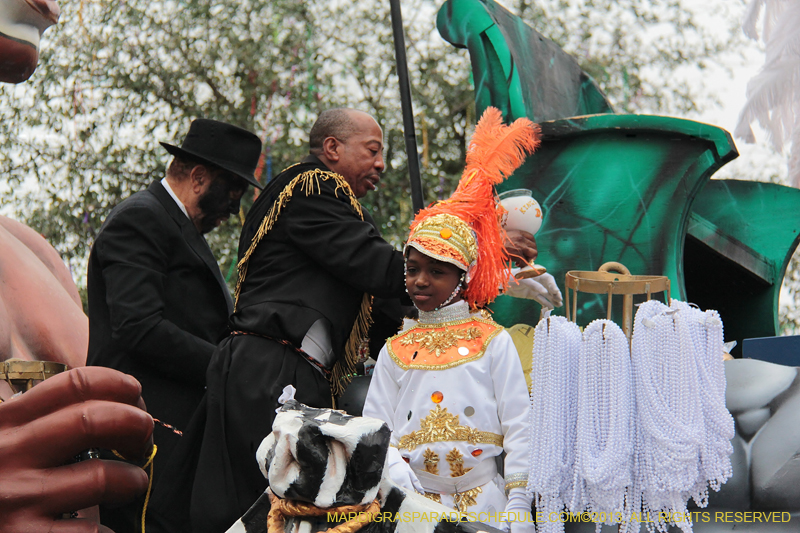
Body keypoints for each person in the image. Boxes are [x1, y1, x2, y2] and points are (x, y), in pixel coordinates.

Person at [148, 108, 543, 533]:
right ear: (332, 149)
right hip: (267, 367)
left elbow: (391, 315)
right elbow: (375, 265)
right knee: (259, 509)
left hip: (295, 373)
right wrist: (475, 255)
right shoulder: (312, 186)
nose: (381, 164)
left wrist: (460, 313)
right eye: (372, 150)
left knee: (292, 512)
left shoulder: (343, 215)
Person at [362, 107, 536, 533]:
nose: (420, 281)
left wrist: (518, 502)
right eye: (412, 269)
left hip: (487, 507)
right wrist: (402, 489)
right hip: (412, 509)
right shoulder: (395, 349)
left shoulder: (492, 341)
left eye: (436, 272)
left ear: (463, 278)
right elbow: (375, 430)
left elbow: (519, 423)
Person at [86, 118, 262, 530]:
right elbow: (139, 325)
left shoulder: (176, 226)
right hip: (143, 428)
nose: (233, 208)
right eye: (231, 191)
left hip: (174, 430)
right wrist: (227, 365)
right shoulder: (141, 219)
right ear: (199, 177)